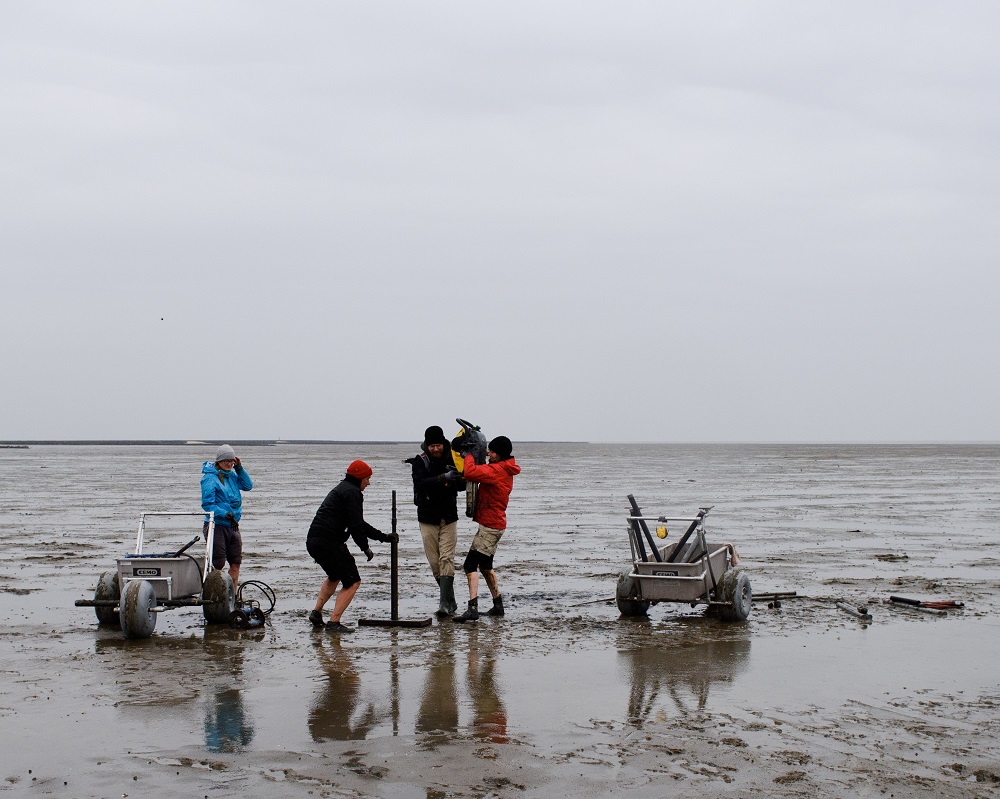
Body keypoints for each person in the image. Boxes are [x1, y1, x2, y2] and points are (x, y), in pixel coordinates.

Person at [306, 460, 396, 633]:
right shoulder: (352, 492)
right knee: (353, 581)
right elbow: (356, 526)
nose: (368, 483)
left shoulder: (342, 489)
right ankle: (334, 623)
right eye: (367, 479)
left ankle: (316, 613)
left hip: (314, 541)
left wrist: (383, 537)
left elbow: (358, 523)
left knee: (334, 575)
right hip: (330, 543)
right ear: (360, 478)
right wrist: (365, 548)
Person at [453, 436, 520, 623]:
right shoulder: (504, 468)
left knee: (469, 565)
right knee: (485, 566)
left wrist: (467, 455)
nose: (488, 453)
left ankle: (472, 608)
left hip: (490, 527)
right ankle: (498, 605)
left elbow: (470, 471)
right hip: (495, 525)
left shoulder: (497, 470)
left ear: (499, 454)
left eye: (491, 451)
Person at [405, 425, 465, 618]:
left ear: (443, 443)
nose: (435, 449)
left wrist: (457, 478)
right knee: (434, 562)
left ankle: (443, 605)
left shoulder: (453, 458)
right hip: (427, 517)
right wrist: (442, 478)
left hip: (448, 517)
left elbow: (463, 485)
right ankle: (450, 600)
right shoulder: (419, 461)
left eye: (438, 445)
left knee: (446, 558)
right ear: (426, 446)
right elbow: (420, 484)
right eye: (432, 446)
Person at [201, 444, 253, 587]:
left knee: (236, 562)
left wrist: (239, 468)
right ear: (218, 462)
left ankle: (232, 598)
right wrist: (225, 514)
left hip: (233, 526)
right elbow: (207, 505)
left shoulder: (233, 475)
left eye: (231, 460)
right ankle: (217, 595)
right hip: (216, 526)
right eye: (225, 461)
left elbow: (248, 486)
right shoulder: (210, 478)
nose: (229, 463)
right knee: (218, 564)